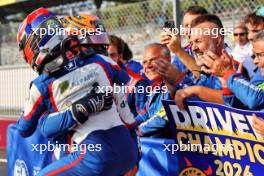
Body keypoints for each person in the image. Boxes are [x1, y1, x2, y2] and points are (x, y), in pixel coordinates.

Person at [16, 9, 138, 176]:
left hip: (92, 156)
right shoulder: (101, 60)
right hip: (127, 149)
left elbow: (23, 129)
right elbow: (123, 79)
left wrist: (74, 110)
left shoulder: (42, 85)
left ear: (34, 43)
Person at [135, 43, 175, 137]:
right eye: (144, 62)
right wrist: (126, 126)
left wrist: (138, 131)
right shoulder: (155, 88)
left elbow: (164, 117)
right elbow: (144, 115)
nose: (148, 66)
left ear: (168, 60)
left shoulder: (175, 84)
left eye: (153, 60)